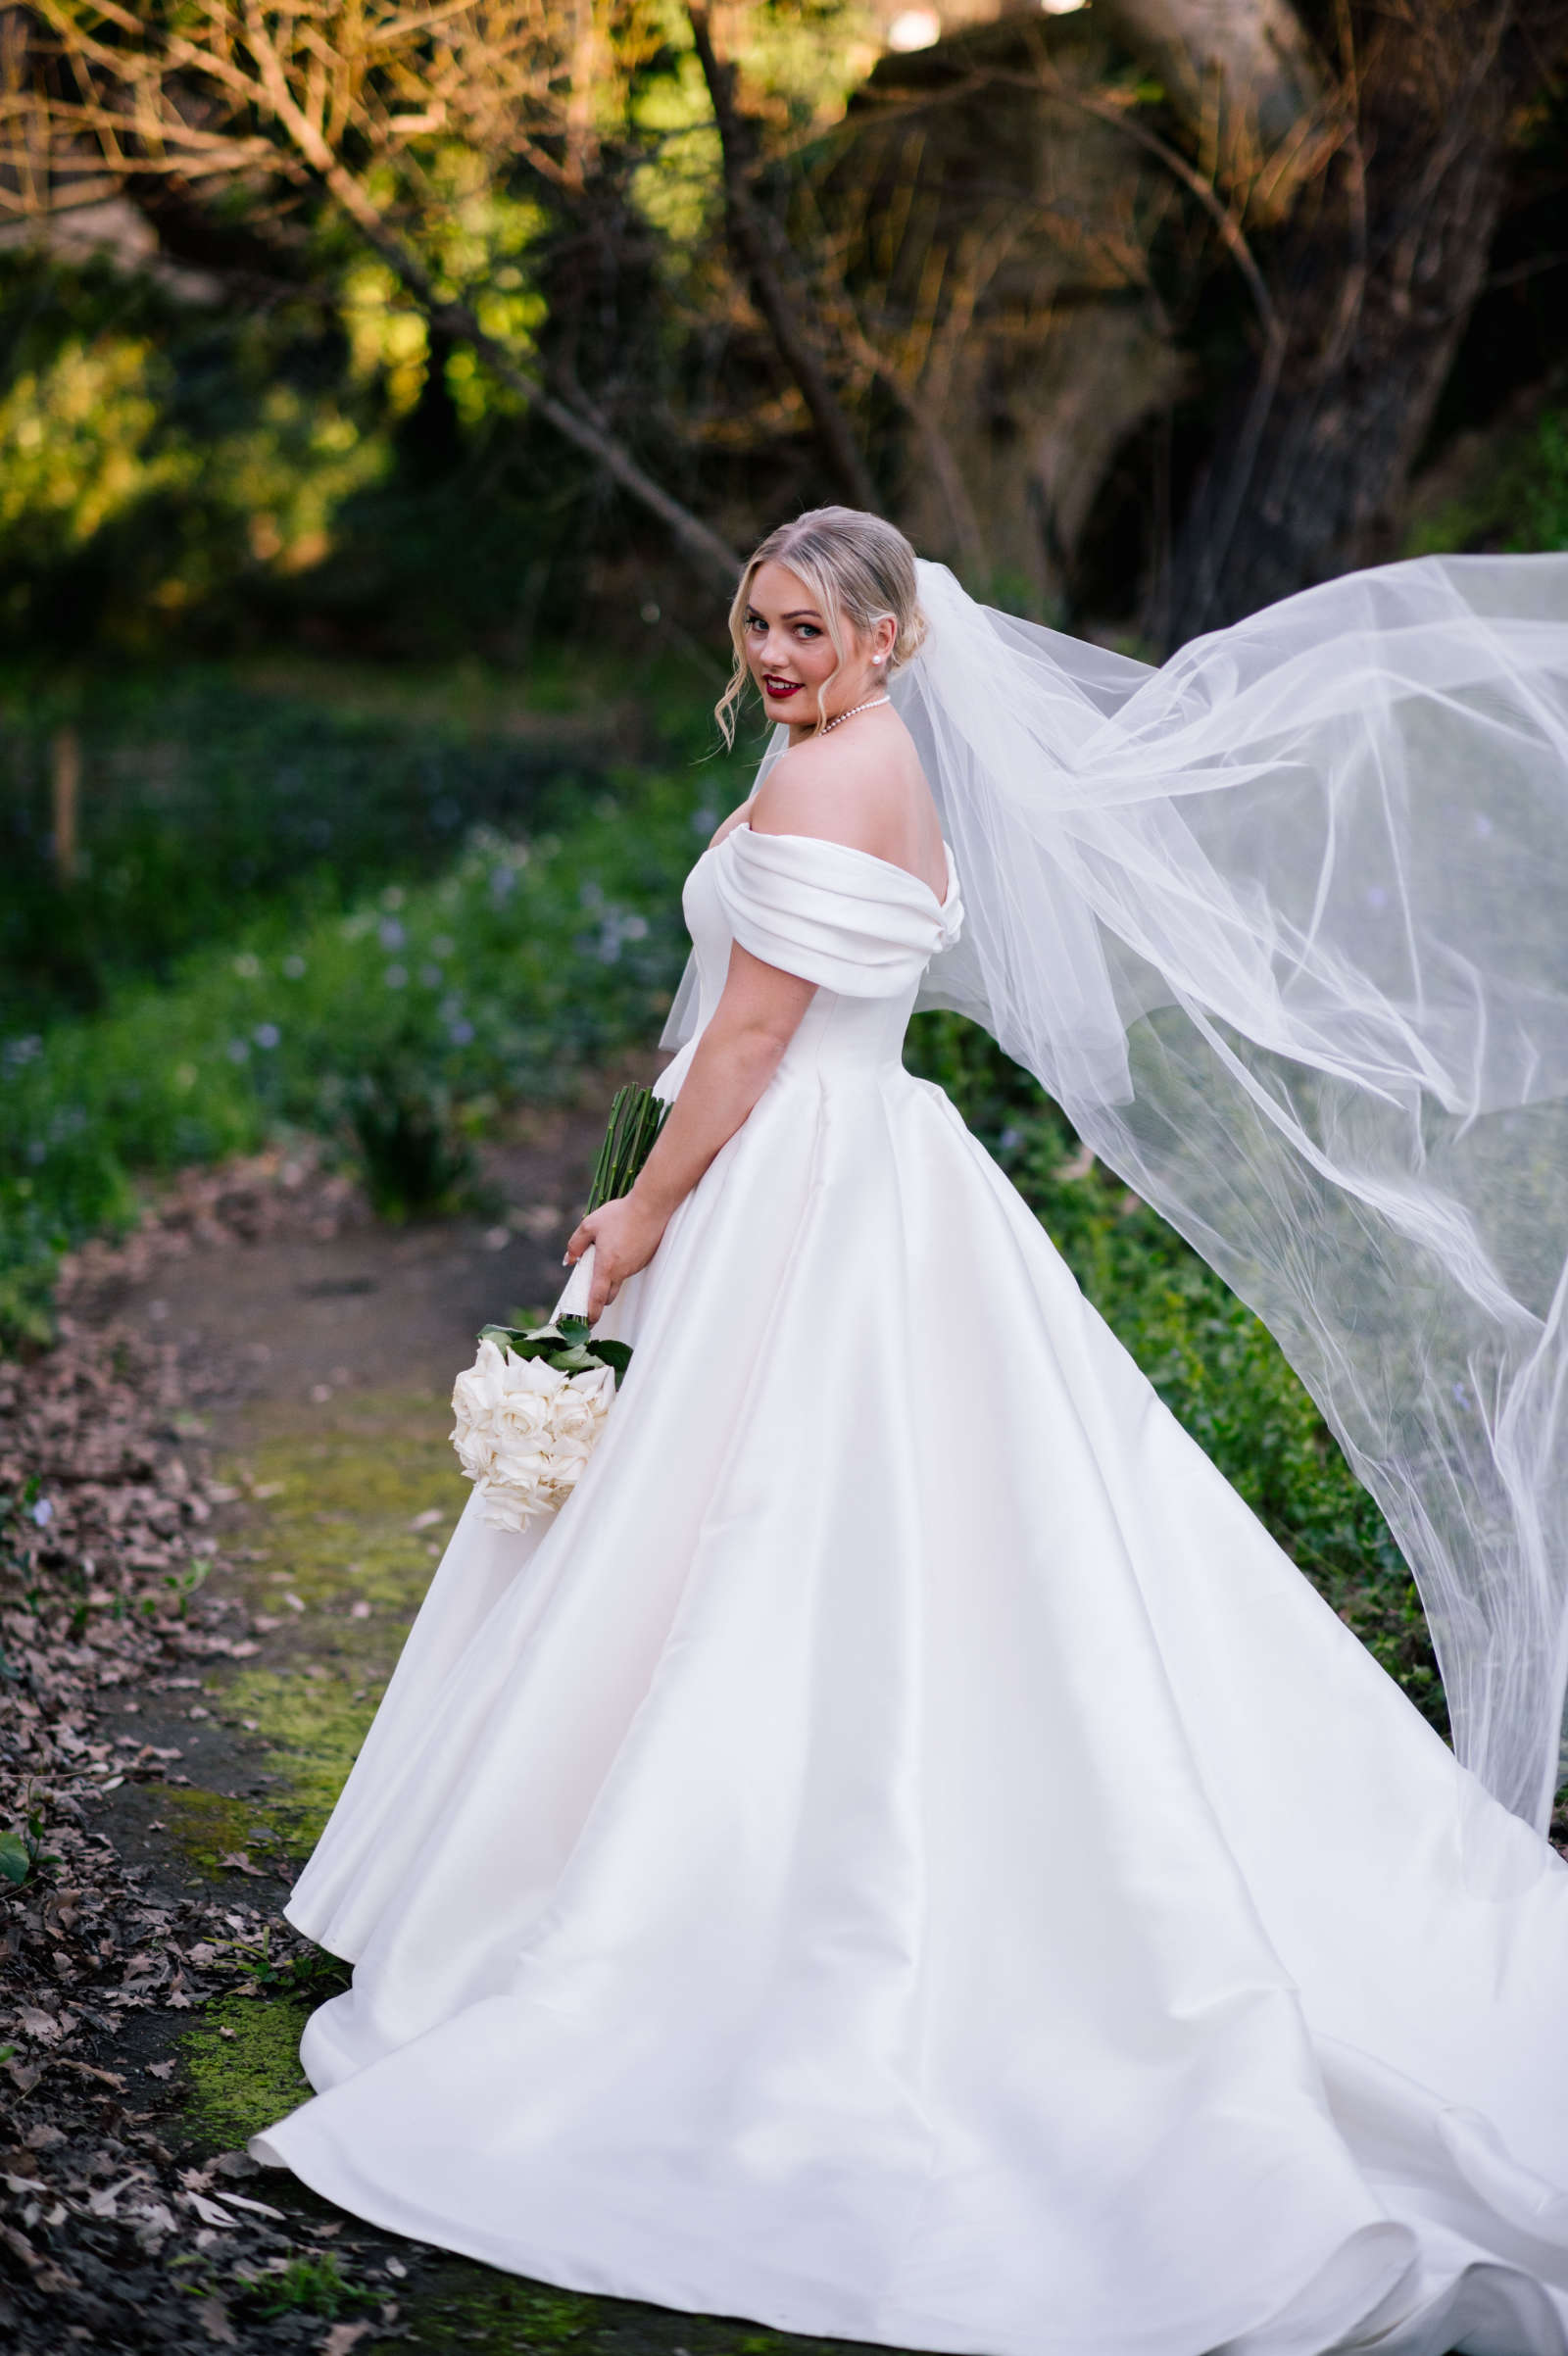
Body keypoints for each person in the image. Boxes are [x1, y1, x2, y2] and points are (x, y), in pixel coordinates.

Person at [254, 509, 1568, 2356]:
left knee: (776, 1534)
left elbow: (746, 1045)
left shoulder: (820, 786)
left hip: (801, 1183)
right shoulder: (856, 767)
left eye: (810, 629)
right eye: (760, 621)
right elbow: (751, 1020)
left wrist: (637, 1219)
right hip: (873, 1173)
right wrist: (643, 1193)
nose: (777, 653)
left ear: (890, 642)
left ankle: (678, 1901)